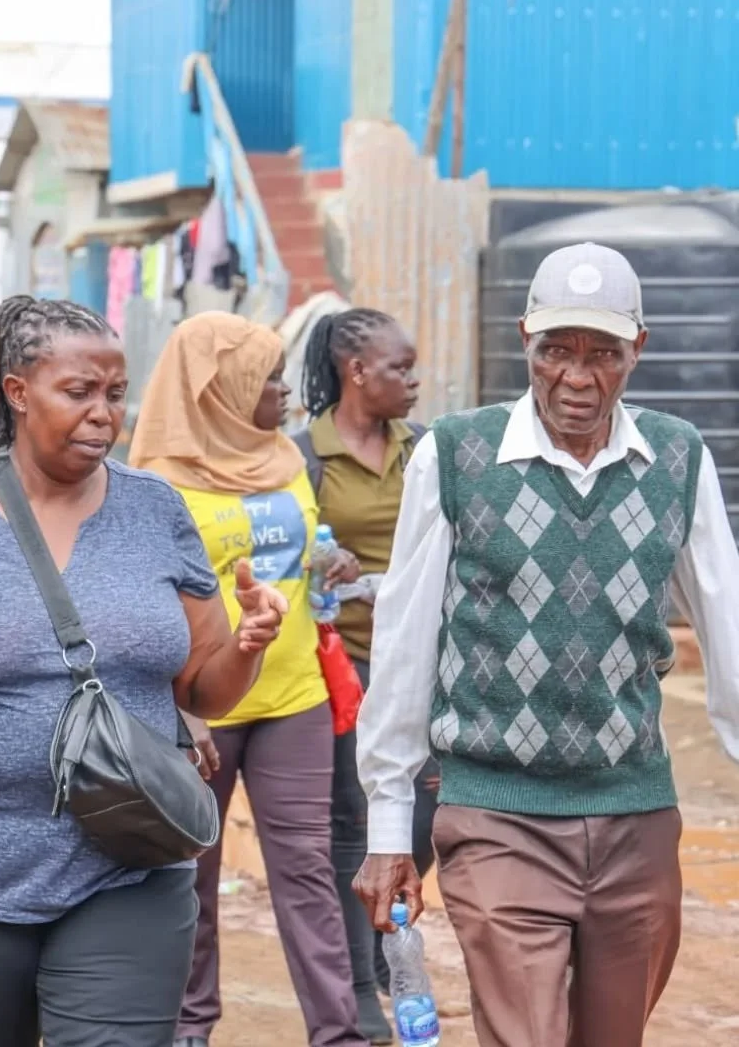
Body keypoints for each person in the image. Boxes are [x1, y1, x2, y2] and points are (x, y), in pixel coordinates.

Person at [0, 295, 287, 1047]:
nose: (104, 413)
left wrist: (247, 645)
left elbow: (204, 691)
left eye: (115, 393)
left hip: (130, 864)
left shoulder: (156, 510)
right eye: (79, 393)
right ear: (16, 392)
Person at [354, 242, 739, 1047]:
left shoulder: (677, 458)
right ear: (526, 340)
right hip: (497, 812)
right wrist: (390, 828)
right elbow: (403, 643)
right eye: (555, 350)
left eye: (603, 353)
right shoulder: (455, 456)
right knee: (525, 1032)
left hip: (636, 814)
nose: (577, 375)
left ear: (640, 349)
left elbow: (728, 630)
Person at [128, 312, 368, 1047]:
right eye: (265, 378)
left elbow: (304, 554)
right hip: (202, 703)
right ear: (219, 390)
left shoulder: (286, 462)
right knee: (189, 876)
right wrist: (180, 711)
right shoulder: (154, 486)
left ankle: (339, 1032)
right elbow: (141, 603)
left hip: (293, 691)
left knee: (307, 869)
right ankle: (191, 1026)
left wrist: (330, 566)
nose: (285, 391)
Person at [295, 307, 432, 1044]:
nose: (413, 382)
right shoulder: (305, 456)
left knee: (424, 822)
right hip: (344, 664)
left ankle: (381, 953)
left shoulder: (427, 449)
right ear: (355, 372)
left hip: (422, 659)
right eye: (399, 369)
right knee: (357, 822)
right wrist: (324, 562)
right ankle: (360, 988)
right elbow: (291, 549)